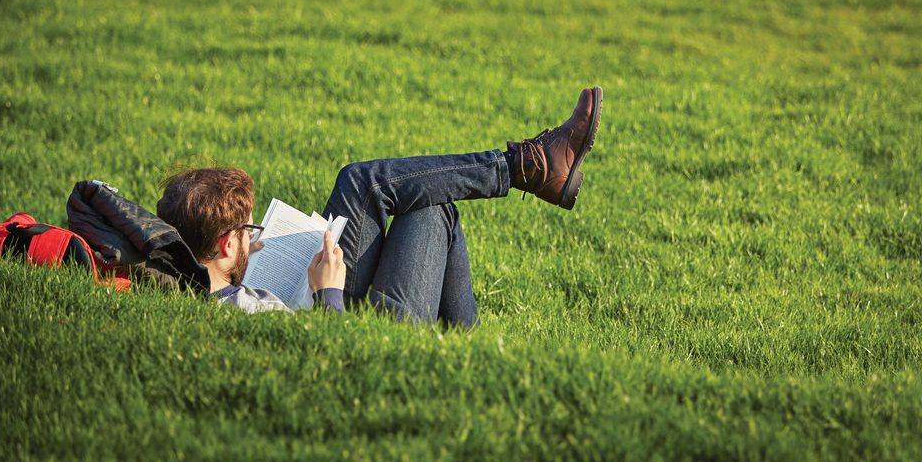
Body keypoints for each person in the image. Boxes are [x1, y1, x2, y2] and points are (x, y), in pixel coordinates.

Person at [155, 87, 602, 326]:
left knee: (419, 201)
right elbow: (330, 360)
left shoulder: (188, 292)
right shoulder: (237, 313)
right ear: (226, 243)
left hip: (321, 298)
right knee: (393, 192)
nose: (255, 239)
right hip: (364, 323)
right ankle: (527, 167)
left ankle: (530, 167)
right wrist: (328, 291)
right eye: (248, 232)